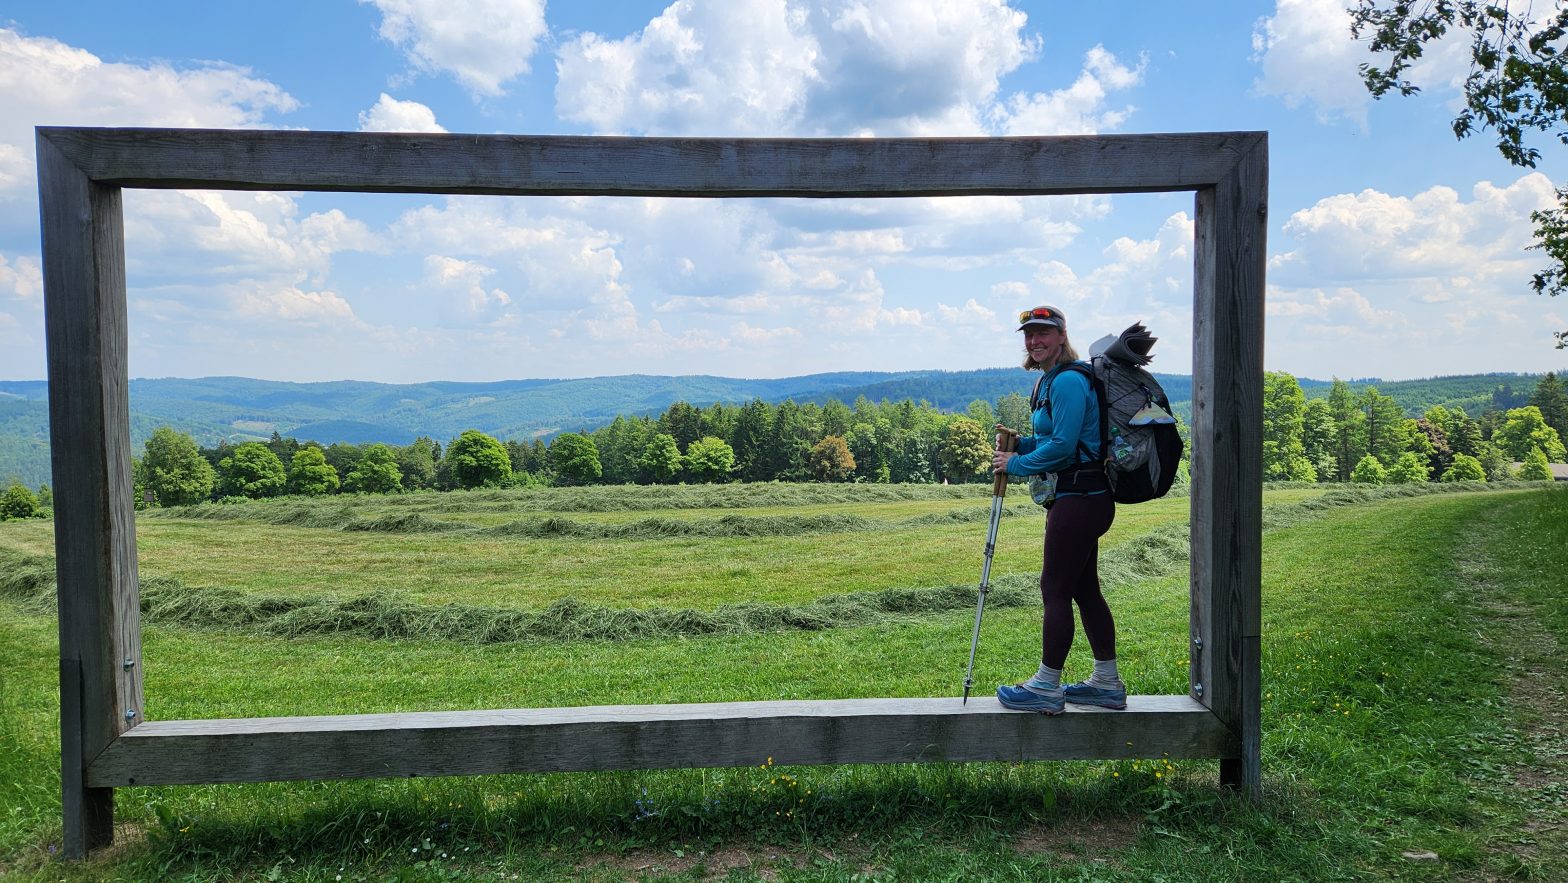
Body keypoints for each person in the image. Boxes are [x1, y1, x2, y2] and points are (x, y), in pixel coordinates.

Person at [990, 305, 1127, 714]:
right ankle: (1106, 683)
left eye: (1043, 333)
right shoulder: (1052, 381)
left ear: (1062, 336)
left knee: (1054, 590)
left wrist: (1013, 465)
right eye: (1029, 334)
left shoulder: (1066, 381)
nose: (1034, 341)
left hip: (1079, 499)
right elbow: (1060, 440)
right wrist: (1023, 445)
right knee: (1084, 590)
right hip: (1083, 497)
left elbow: (1065, 447)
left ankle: (1046, 686)